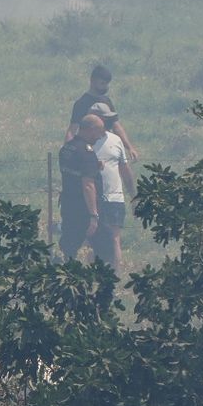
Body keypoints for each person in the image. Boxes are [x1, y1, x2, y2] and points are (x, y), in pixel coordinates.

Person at [87, 102, 135, 271]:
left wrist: (132, 194)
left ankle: (115, 275)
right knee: (92, 238)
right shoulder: (85, 143)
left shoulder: (116, 140)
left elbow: (124, 168)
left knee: (114, 238)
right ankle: (93, 273)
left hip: (114, 197)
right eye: (103, 119)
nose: (107, 123)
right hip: (92, 198)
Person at [65, 64, 138, 161]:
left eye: (107, 84)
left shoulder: (107, 101)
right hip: (90, 147)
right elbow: (72, 130)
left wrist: (129, 147)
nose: (105, 87)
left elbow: (116, 127)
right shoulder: (81, 103)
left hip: (107, 146)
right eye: (102, 83)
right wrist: (68, 150)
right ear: (92, 81)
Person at [58, 114, 102, 263]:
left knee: (69, 243)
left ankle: (66, 269)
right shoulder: (87, 153)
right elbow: (88, 185)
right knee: (97, 243)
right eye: (99, 132)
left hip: (67, 203)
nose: (100, 136)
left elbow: (72, 172)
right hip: (82, 208)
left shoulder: (67, 148)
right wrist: (93, 216)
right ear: (91, 130)